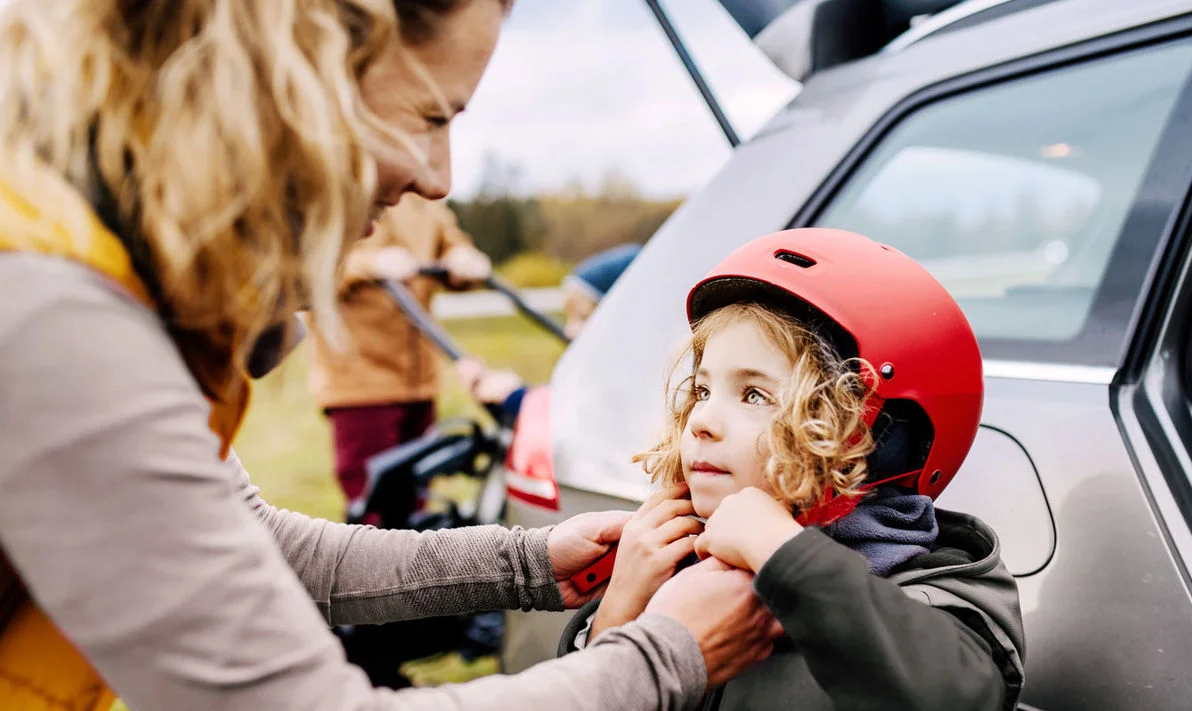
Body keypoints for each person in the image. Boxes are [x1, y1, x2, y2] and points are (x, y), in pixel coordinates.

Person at [0, 1, 780, 710]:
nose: (438, 178)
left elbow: (260, 546)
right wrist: (664, 656)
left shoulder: (101, 275)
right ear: (291, 85)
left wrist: (528, 562)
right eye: (429, 116)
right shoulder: (51, 322)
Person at [558, 228, 1027, 710]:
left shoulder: (936, 587)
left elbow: (958, 695)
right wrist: (617, 614)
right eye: (701, 391)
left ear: (874, 437)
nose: (700, 421)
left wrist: (781, 551)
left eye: (754, 395)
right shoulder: (673, 567)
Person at [309, 193, 492, 507]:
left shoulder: (423, 199)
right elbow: (309, 264)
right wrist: (371, 263)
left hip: (419, 380)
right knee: (371, 502)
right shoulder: (336, 187)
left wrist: (463, 257)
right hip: (360, 382)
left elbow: (451, 241)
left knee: (417, 495)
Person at [456, 242, 642, 420]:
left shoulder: (627, 386)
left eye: (583, 317)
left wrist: (518, 398)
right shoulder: (603, 374)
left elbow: (574, 423)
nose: (569, 331)